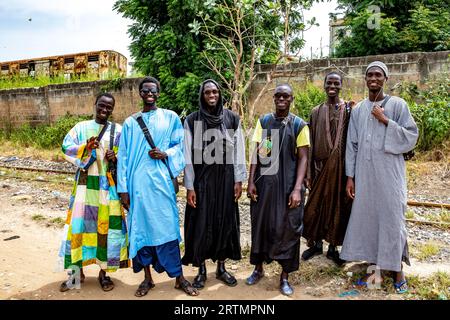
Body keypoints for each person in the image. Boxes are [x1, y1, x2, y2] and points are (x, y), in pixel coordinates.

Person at [340, 61, 418, 294]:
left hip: (390, 175)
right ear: (365, 80)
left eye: (378, 75)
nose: (373, 79)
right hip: (364, 175)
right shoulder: (359, 109)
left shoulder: (398, 105)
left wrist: (386, 120)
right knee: (369, 220)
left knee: (392, 219)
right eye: (370, 75)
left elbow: (411, 137)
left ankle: (397, 271)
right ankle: (374, 272)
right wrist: (350, 177)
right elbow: (351, 145)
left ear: (386, 79)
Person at [116, 76, 198, 297]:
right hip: (138, 187)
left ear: (158, 93)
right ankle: (147, 279)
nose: (149, 94)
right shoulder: (131, 123)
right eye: (145, 90)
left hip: (161, 184)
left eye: (153, 90)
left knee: (168, 229)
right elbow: (122, 157)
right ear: (140, 93)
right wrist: (123, 190)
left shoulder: (170, 117)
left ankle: (179, 278)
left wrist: (166, 153)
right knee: (141, 231)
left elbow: (180, 147)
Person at [57, 92, 129, 292]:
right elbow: (66, 147)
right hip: (84, 187)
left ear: (112, 110)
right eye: (101, 106)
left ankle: (104, 273)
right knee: (77, 228)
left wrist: (115, 157)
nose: (104, 110)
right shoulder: (80, 128)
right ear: (95, 104)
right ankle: (75, 274)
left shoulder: (118, 130)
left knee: (107, 230)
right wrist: (85, 148)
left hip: (108, 189)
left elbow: (127, 157)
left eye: (109, 107)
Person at [182, 79, 246, 289]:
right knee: (200, 224)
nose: (212, 95)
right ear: (202, 95)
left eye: (215, 92)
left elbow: (239, 151)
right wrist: (190, 186)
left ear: (220, 94)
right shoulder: (192, 120)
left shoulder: (231, 119)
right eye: (207, 92)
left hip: (226, 181)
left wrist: (239, 180)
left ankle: (221, 268)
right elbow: (187, 156)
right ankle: (200, 270)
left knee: (224, 223)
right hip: (202, 182)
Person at [246, 83, 309, 296]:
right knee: (261, 226)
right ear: (274, 98)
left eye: (286, 96)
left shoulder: (299, 125)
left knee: (288, 229)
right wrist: (251, 180)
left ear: (291, 99)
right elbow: (260, 153)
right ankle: (258, 268)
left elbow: (303, 158)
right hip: (266, 186)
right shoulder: (264, 122)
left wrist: (297, 188)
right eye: (278, 96)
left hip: (289, 186)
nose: (282, 99)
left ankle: (284, 276)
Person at [301, 72, 353, 265]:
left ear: (341, 86)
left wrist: (351, 173)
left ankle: (333, 247)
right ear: (324, 85)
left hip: (340, 169)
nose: (332, 86)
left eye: (336, 83)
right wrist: (308, 173)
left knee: (337, 207)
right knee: (315, 207)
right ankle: (315, 245)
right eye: (329, 82)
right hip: (319, 167)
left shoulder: (348, 109)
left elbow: (351, 140)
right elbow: (311, 143)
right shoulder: (316, 111)